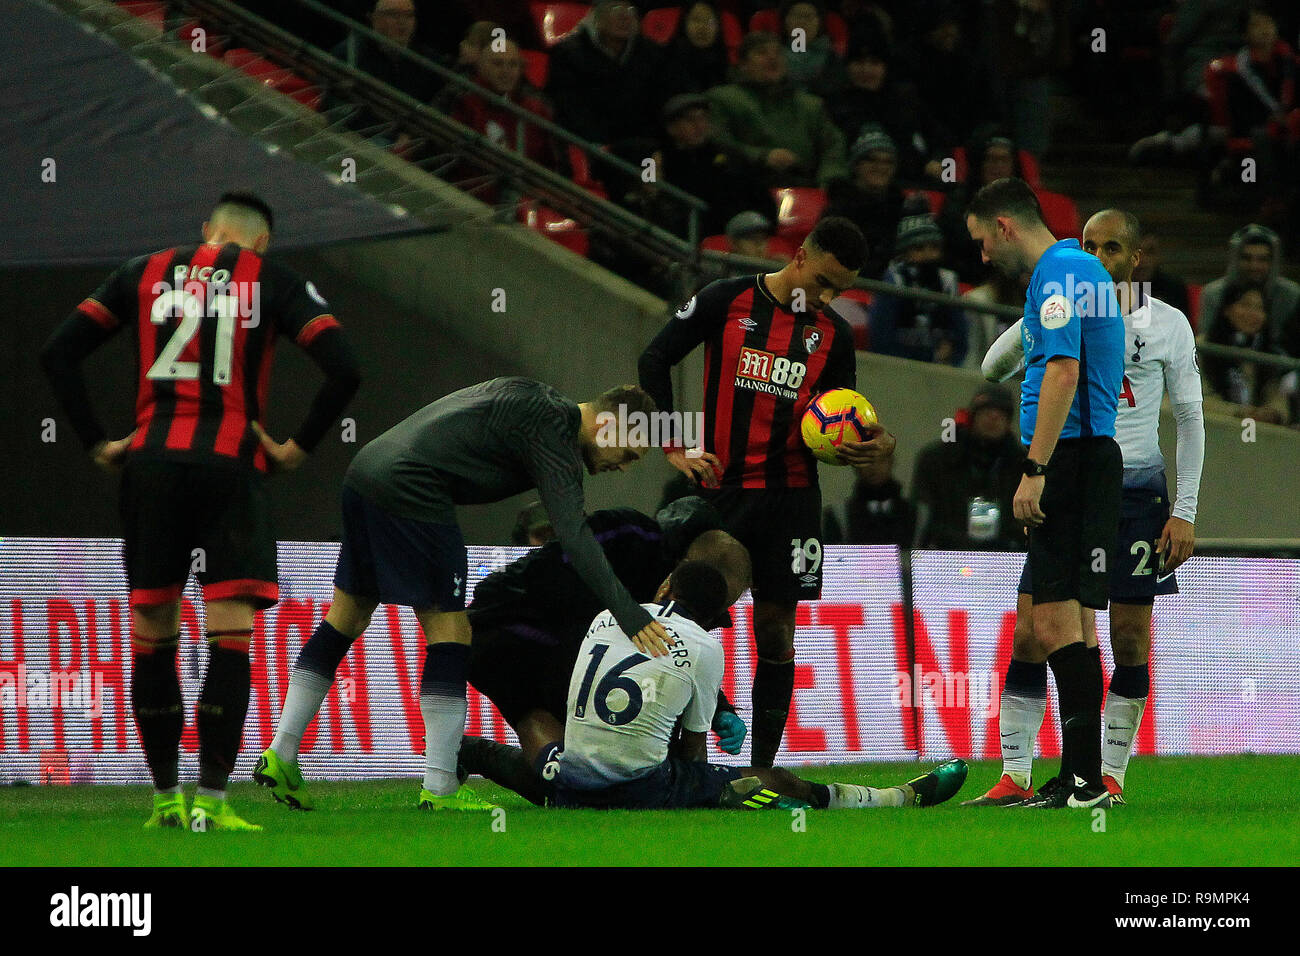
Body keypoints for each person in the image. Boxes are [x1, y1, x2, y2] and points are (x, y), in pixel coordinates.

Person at [38, 192, 362, 830]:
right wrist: (296, 446)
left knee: (153, 636)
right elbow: (344, 367)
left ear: (207, 232)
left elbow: (58, 352)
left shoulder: (144, 270)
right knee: (230, 636)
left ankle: (163, 800)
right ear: (260, 243)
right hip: (230, 469)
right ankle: (212, 804)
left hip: (151, 468)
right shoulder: (270, 279)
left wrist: (96, 441)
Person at [255, 380, 671, 811]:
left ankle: (281, 753)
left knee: (348, 616)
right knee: (452, 633)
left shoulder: (535, 398)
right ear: (609, 425)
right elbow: (573, 535)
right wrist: (630, 613)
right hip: (413, 488)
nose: (622, 468)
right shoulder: (555, 432)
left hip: (366, 472)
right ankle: (439, 786)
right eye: (627, 455)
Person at [638, 216, 898, 768]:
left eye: (839, 290)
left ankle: (760, 773)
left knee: (777, 634)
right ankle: (681, 763)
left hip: (793, 498)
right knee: (684, 619)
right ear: (800, 256)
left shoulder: (835, 336)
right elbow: (654, 359)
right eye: (823, 281)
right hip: (721, 490)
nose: (827, 297)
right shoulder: (723, 300)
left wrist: (874, 444)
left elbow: (842, 417)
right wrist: (672, 444)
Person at [969, 208, 1205, 806]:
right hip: (1075, 480)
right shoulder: (1070, 301)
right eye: (1090, 245)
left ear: (1134, 258)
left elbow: (1192, 417)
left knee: (1126, 637)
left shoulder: (1168, 325)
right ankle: (1016, 776)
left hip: (1133, 491)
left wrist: (1187, 508)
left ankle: (1106, 775)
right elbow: (992, 367)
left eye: (1112, 249)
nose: (1100, 258)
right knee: (1035, 631)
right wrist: (1038, 333)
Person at [522, 560, 969, 811]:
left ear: (665, 586)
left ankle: (458, 760)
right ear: (713, 616)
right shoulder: (702, 646)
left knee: (519, 739)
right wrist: (700, 787)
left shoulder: (608, 615)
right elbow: (694, 749)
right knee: (771, 781)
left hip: (569, 779)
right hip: (640, 789)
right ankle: (895, 799)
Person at [965, 178, 1125, 809]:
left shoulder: (1058, 272)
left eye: (981, 241)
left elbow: (1062, 368)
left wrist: (1036, 468)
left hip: (1072, 460)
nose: (982, 257)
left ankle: (1086, 782)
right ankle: (1074, 776)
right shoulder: (1075, 270)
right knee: (1044, 621)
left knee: (1058, 619)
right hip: (1082, 456)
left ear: (1004, 226)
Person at [457, 501, 754, 805]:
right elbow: (553, 579)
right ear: (679, 571)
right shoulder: (626, 535)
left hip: (522, 628)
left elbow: (680, 656)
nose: (699, 619)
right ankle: (491, 759)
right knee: (586, 753)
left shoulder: (676, 587)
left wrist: (719, 708)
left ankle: (469, 752)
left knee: (587, 758)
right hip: (509, 621)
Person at [706, 31, 848, 188]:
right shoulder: (723, 99)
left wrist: (829, 180)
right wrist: (761, 156)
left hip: (806, 187)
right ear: (743, 65)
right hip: (746, 186)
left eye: (778, 53)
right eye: (761, 53)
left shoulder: (811, 105)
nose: (772, 58)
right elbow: (717, 142)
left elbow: (833, 145)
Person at [911, 384, 1025, 551]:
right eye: (986, 410)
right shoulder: (937, 460)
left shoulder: (1021, 466)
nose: (993, 417)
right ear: (972, 416)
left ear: (1009, 422)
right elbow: (923, 515)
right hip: (945, 555)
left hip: (1003, 557)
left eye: (1001, 413)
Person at [657, 94, 778, 239]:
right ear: (672, 128)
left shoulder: (730, 156)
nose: (699, 126)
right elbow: (647, 188)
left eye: (703, 118)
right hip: (687, 242)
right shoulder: (656, 159)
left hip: (739, 239)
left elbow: (761, 197)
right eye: (690, 120)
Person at [546, 1, 667, 144]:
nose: (624, 16)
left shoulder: (651, 52)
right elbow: (570, 107)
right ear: (597, 17)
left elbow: (661, 98)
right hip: (591, 146)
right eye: (615, 9)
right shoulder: (568, 54)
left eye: (630, 9)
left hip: (644, 142)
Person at [326, 0, 445, 142]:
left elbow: (433, 112)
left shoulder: (430, 63)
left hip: (409, 146)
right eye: (393, 14)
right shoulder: (349, 53)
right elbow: (334, 105)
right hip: (354, 137)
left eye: (409, 15)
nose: (402, 22)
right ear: (373, 17)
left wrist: (410, 135)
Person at [867, 211, 967, 364]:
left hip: (940, 371)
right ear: (905, 252)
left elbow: (960, 336)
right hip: (895, 367)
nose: (929, 255)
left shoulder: (947, 281)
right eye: (919, 248)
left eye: (934, 248)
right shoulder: (894, 280)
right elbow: (880, 337)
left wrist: (950, 354)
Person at [1199, 281, 1292, 424]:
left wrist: (1273, 413)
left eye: (1259, 308)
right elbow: (1194, 400)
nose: (1252, 314)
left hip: (1253, 434)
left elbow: (1278, 398)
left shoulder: (1269, 355)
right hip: (1212, 426)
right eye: (1245, 305)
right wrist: (1238, 412)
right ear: (1227, 310)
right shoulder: (1202, 347)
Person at [1196, 224, 1300, 351]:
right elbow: (1207, 340)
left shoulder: (1290, 295)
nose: (1254, 266)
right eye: (1247, 258)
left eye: (1262, 259)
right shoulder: (1214, 293)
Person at [821, 126, 906, 278]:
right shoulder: (839, 208)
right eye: (872, 160)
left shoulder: (902, 207)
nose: (881, 167)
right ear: (856, 165)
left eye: (888, 162)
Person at [822, 445, 914, 546]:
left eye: (880, 460)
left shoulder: (917, 515)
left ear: (891, 462)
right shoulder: (838, 515)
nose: (874, 467)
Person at [1132, 230, 1191, 320]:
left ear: (1159, 255)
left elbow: (1182, 327)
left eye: (1149, 252)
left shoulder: (1174, 288)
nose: (1143, 259)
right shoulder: (1114, 288)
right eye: (1137, 252)